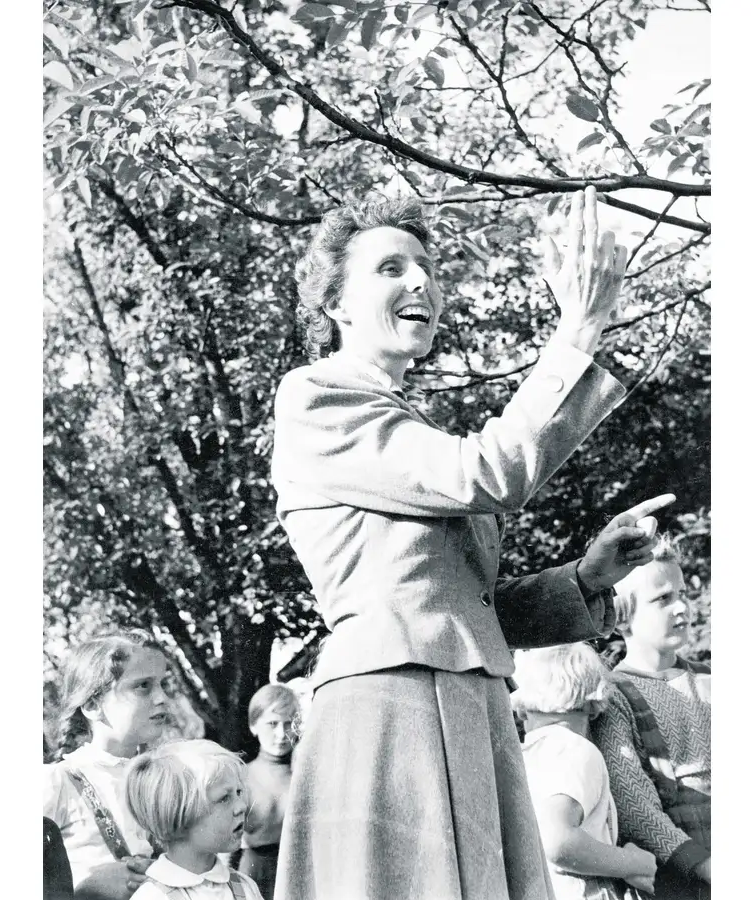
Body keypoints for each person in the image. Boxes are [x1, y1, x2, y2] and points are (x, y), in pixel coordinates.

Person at [269, 186, 674, 900]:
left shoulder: (404, 424)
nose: (421, 279)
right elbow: (485, 472)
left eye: (426, 265)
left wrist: (584, 578)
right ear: (336, 305)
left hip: (467, 705)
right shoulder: (317, 397)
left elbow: (465, 605)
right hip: (390, 704)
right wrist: (577, 330)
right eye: (391, 268)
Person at [589, 537, 712, 900]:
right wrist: (708, 867)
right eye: (663, 599)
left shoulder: (712, 679)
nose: (681, 608)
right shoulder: (614, 695)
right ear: (622, 616)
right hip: (677, 875)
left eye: (683, 594)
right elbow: (634, 806)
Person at [513, 643, 657, 900]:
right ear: (594, 704)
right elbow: (558, 841)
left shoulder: (521, 755)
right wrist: (634, 863)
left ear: (522, 707)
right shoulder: (575, 751)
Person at [44, 630, 173, 900]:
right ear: (92, 706)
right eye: (143, 686)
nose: (162, 698)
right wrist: (87, 889)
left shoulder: (165, 776)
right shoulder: (58, 783)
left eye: (163, 684)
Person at [123, 739, 266, 900]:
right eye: (224, 798)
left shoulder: (245, 887)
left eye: (239, 792)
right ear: (177, 814)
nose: (241, 806)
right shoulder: (153, 896)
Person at [237, 684, 299, 900]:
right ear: (253, 725)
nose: (281, 734)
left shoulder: (306, 775)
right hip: (256, 877)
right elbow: (222, 851)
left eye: (289, 724)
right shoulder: (240, 777)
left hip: (302, 872)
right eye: (272, 724)